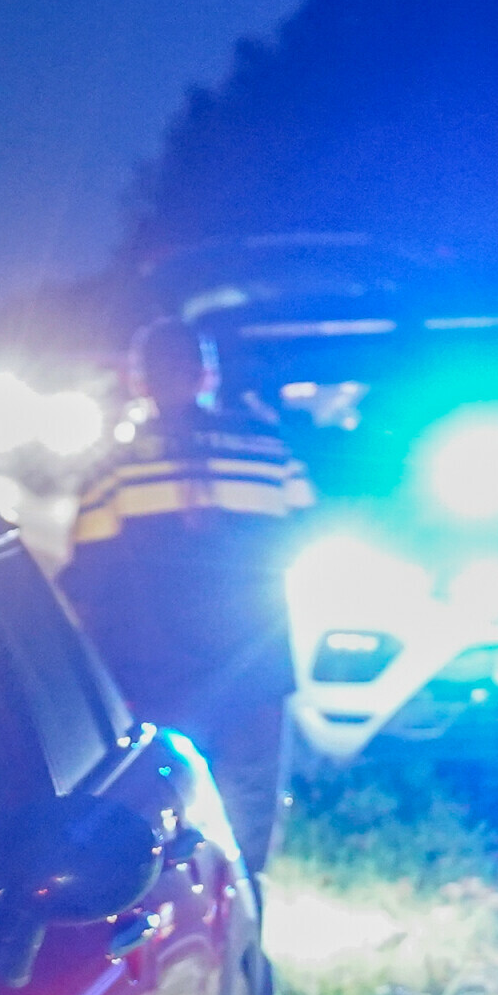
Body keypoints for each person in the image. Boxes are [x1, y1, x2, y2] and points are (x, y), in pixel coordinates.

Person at [62, 320, 312, 758]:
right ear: (208, 375)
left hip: (155, 673)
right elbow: (308, 535)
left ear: (140, 381)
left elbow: (88, 581)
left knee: (174, 797)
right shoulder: (268, 448)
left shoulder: (114, 467)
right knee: (249, 798)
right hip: (255, 665)